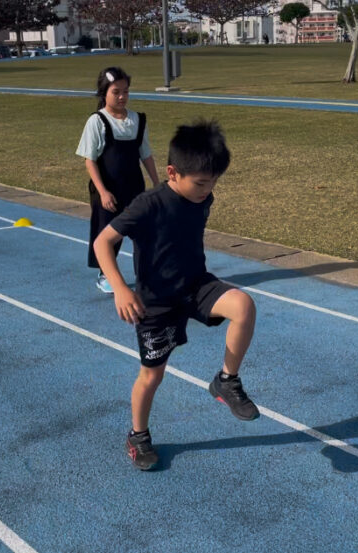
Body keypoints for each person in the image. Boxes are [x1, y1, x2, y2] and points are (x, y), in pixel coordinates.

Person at [93, 120, 259, 470]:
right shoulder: (147, 205)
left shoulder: (203, 197)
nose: (208, 189)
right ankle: (138, 436)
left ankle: (227, 381)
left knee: (243, 305)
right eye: (200, 183)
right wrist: (121, 288)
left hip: (196, 286)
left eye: (214, 181)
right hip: (156, 303)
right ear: (172, 172)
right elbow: (102, 242)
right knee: (152, 376)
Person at [76, 66, 160, 294]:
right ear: (105, 93)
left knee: (143, 231)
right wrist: (103, 192)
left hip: (134, 188)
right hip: (109, 190)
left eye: (125, 91)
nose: (122, 96)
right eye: (116, 92)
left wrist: (156, 183)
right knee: (108, 233)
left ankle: (146, 274)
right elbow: (90, 161)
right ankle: (105, 274)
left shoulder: (137, 120)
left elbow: (146, 154)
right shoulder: (97, 121)